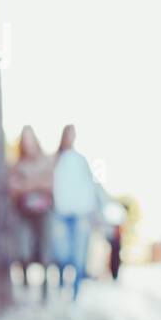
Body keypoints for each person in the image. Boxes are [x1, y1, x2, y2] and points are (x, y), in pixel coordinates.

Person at [50, 124, 98, 301]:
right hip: (62, 214)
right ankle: (62, 287)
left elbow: (90, 187)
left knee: (78, 258)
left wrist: (90, 211)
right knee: (62, 255)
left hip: (80, 214)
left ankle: (75, 297)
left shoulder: (81, 160)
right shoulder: (56, 160)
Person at [7, 125, 53, 302]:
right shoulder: (17, 165)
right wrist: (36, 182)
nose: (28, 143)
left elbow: (49, 185)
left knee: (44, 252)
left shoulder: (45, 162)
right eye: (24, 140)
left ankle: (45, 293)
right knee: (23, 251)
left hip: (43, 213)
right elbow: (14, 189)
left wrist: (27, 183)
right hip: (23, 213)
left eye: (30, 139)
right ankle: (25, 291)